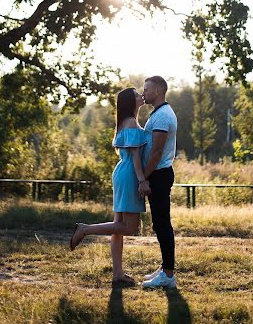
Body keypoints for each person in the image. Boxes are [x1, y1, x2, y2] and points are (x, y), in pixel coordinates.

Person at [69, 87, 147, 287]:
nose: (142, 96)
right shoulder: (130, 123)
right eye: (138, 95)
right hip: (129, 175)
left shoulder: (127, 122)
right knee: (129, 227)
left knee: (118, 227)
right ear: (131, 102)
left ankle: (118, 274)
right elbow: (136, 158)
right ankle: (85, 229)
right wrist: (142, 181)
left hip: (122, 173)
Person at [139, 75, 178, 290]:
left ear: (159, 91)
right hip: (159, 173)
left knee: (163, 224)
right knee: (160, 223)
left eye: (147, 89)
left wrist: (143, 177)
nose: (143, 93)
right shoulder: (159, 113)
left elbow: (155, 152)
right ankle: (165, 268)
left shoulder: (162, 116)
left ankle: (169, 275)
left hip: (159, 175)